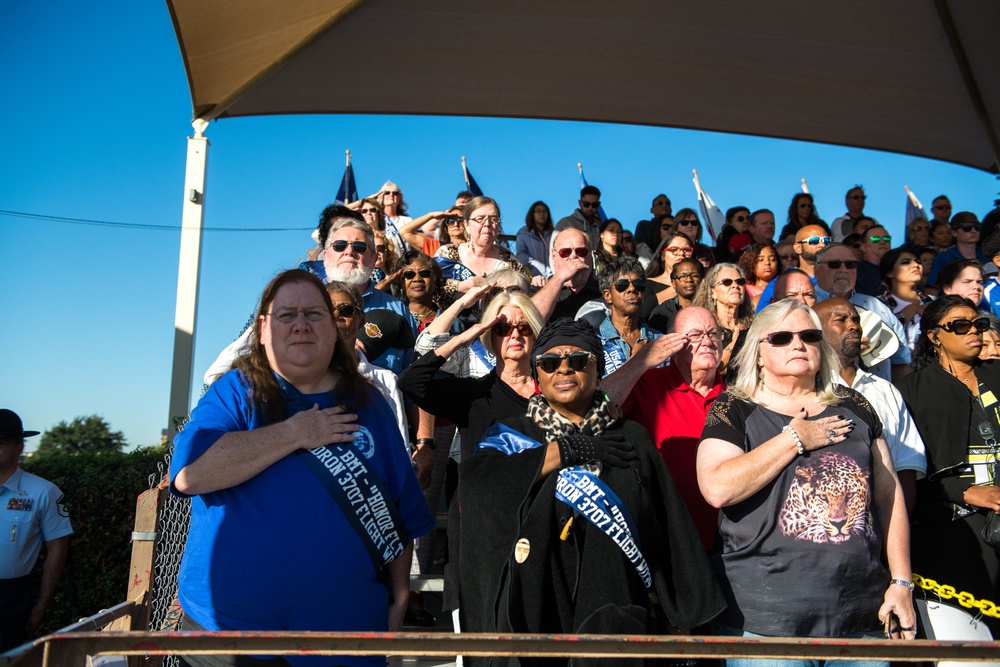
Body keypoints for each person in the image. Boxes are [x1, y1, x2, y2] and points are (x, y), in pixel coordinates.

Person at [170, 270, 434, 667]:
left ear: (334, 329)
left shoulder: (371, 406)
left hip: (343, 635)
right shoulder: (235, 392)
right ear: (262, 329)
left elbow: (399, 511)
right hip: (227, 635)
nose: (300, 325)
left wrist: (399, 595)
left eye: (314, 313)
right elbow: (191, 475)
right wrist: (295, 432)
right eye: (285, 314)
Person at [459, 318, 726, 664]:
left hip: (614, 615)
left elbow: (667, 529)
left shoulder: (631, 438)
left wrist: (680, 620)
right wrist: (562, 452)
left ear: (598, 370)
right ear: (537, 375)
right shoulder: (511, 435)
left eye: (579, 360)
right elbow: (476, 489)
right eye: (550, 363)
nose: (564, 369)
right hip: (534, 613)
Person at [697, 299, 916, 657]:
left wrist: (901, 582)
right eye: (781, 337)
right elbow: (717, 488)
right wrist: (794, 439)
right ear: (758, 353)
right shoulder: (732, 407)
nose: (798, 344)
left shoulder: (855, 405)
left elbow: (889, 497)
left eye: (809, 335)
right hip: (766, 623)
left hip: (861, 615)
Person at [398, 290, 544, 615]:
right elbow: (412, 382)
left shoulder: (552, 397)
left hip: (537, 529)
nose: (515, 335)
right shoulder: (474, 394)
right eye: (503, 328)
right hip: (479, 536)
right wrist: (465, 337)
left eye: (524, 328)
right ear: (490, 335)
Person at [897, 295, 1000, 634]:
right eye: (961, 325)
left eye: (980, 324)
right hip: (952, 533)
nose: (975, 332)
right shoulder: (909, 391)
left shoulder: (997, 376)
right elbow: (904, 474)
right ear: (934, 335)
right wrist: (967, 492)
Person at [605, 307, 727, 550]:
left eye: (713, 333)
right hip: (669, 542)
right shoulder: (648, 385)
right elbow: (599, 405)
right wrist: (642, 360)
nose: (707, 341)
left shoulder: (737, 395)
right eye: (694, 335)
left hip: (730, 543)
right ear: (672, 343)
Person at [814, 299, 927, 513]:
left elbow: (907, 466)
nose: (854, 325)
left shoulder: (886, 390)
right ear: (816, 330)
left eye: (856, 319)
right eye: (841, 319)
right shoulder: (808, 390)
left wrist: (895, 532)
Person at [0, 409, 72, 653]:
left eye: (0, 443)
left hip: (9, 598)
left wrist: (41, 603)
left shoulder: (43, 492)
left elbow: (58, 548)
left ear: (19, 446)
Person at [813, 243, 912, 383]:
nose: (843, 269)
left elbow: (900, 361)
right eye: (834, 264)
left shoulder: (877, 307)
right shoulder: (806, 306)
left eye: (850, 264)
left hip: (879, 397)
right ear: (816, 270)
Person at [435, 196, 525, 308]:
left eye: (493, 219)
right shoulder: (446, 254)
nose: (487, 224)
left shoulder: (511, 262)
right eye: (480, 218)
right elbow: (431, 292)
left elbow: (522, 300)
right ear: (466, 225)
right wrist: (464, 286)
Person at [586, 257, 661, 376]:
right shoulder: (593, 342)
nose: (632, 289)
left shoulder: (660, 341)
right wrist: (637, 359)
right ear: (607, 296)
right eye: (622, 285)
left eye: (639, 284)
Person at [692, 262, 754, 378]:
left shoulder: (754, 325)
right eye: (727, 282)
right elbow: (712, 369)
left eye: (740, 282)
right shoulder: (704, 328)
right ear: (712, 292)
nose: (735, 286)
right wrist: (736, 342)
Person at [532, 227, 604, 321]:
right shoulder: (540, 289)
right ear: (554, 256)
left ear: (590, 254)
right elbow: (531, 319)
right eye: (565, 252)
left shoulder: (604, 290)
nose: (573, 256)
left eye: (581, 251)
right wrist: (560, 277)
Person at [753, 225, 828, 312]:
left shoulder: (841, 275)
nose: (822, 245)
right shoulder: (780, 283)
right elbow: (763, 318)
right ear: (798, 248)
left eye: (826, 241)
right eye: (814, 241)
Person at [878, 248, 933, 352]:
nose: (916, 265)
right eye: (906, 262)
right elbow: (880, 338)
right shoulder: (878, 304)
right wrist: (911, 310)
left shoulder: (932, 301)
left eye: (918, 262)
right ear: (890, 273)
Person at [639, 231, 695, 321]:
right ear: (662, 256)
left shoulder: (700, 285)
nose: (681, 254)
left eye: (687, 250)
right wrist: (678, 287)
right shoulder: (647, 283)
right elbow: (643, 312)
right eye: (674, 250)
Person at [927, 212, 987, 289]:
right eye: (967, 228)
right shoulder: (942, 259)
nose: (973, 231)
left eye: (977, 227)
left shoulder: (987, 259)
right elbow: (932, 290)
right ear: (954, 233)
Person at [647, 257, 704, 333]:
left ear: (702, 280)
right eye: (682, 276)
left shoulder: (712, 308)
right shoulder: (662, 313)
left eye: (695, 276)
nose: (689, 280)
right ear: (673, 283)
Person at [515, 201, 554, 278]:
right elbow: (521, 254)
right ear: (532, 214)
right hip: (534, 277)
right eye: (538, 211)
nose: (542, 214)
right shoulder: (523, 233)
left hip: (553, 276)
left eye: (544, 211)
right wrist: (533, 266)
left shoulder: (554, 233)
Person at [738, 243, 781, 309]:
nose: (767, 263)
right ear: (750, 263)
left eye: (772, 259)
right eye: (761, 260)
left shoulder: (784, 286)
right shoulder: (745, 290)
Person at [855, 225, 893, 296]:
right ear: (863, 247)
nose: (882, 242)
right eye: (875, 239)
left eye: (886, 239)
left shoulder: (898, 270)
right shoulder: (855, 272)